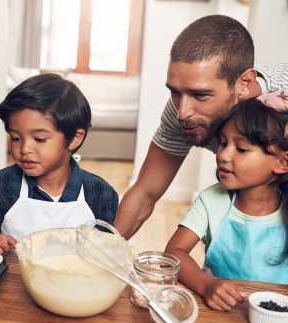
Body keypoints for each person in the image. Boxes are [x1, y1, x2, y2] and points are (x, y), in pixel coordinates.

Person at [114, 15, 288, 240]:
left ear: (244, 84)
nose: (183, 112)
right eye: (175, 91)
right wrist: (100, 253)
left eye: (201, 94)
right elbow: (145, 193)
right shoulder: (181, 112)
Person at [0, 73, 119, 254]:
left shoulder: (100, 194)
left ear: (74, 139)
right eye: (16, 138)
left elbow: (107, 253)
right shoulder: (2, 186)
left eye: (39, 139)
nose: (25, 149)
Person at [166, 99, 288, 311]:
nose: (223, 155)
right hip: (223, 314)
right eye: (223, 143)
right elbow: (174, 252)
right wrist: (206, 285)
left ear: (282, 163)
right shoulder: (212, 201)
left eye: (241, 148)